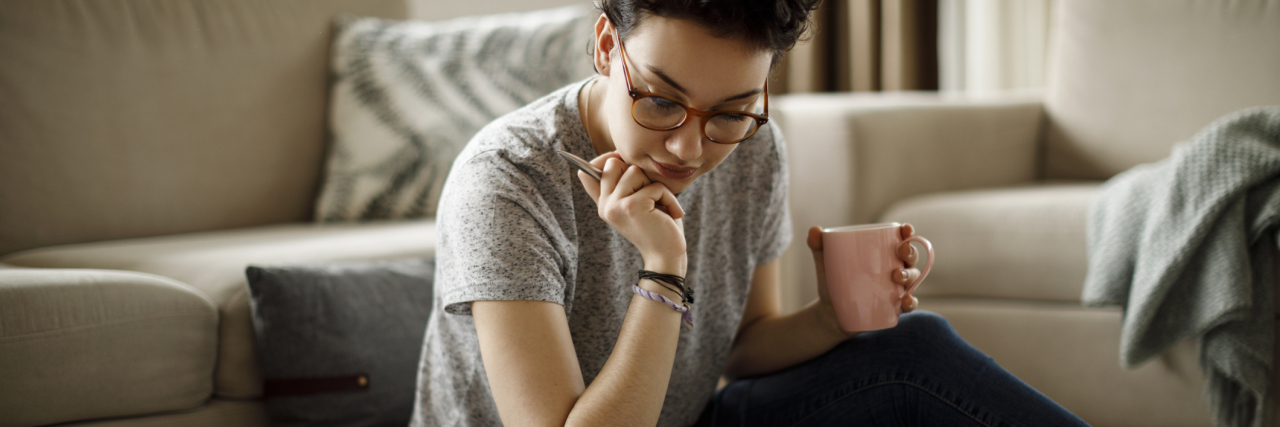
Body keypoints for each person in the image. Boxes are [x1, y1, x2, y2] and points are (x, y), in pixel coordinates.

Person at [411, 1, 1091, 426]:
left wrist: (830, 317)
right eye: (661, 100)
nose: (690, 146)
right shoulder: (508, 179)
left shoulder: (754, 148)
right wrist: (665, 270)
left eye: (732, 111)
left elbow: (744, 344)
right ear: (607, 47)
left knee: (911, 349)